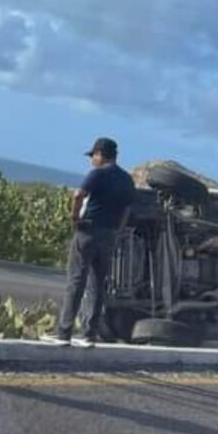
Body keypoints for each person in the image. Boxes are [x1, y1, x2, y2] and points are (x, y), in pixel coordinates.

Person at [43, 137, 135, 348]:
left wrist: (75, 219)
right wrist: (117, 231)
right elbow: (126, 210)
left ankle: (64, 332)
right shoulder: (126, 179)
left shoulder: (99, 174)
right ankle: (89, 334)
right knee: (98, 285)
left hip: (88, 230)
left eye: (93, 156)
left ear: (100, 154)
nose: (91, 160)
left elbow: (78, 195)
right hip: (110, 234)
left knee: (76, 280)